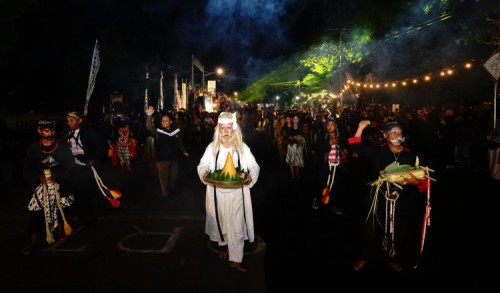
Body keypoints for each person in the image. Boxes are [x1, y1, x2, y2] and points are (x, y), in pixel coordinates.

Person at [348, 120, 430, 272]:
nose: (397, 135)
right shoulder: (378, 151)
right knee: (370, 227)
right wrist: (360, 127)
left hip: (401, 199)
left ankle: (392, 257)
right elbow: (355, 146)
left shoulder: (411, 154)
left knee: (399, 228)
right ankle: (366, 256)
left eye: (399, 132)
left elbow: (423, 178)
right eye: (393, 132)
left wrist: (415, 181)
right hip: (378, 196)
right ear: (385, 135)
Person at [197, 111, 260, 272]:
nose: (225, 131)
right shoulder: (212, 148)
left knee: (237, 226)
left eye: (228, 128)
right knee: (222, 224)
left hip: (237, 194)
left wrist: (251, 176)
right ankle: (227, 248)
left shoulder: (242, 148)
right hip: (217, 195)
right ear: (218, 129)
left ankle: (235, 259)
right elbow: (202, 165)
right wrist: (204, 172)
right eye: (222, 128)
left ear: (234, 129)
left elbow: (254, 166)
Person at [22, 118, 75, 255]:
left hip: (59, 184)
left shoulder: (62, 146)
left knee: (62, 207)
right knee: (35, 213)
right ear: (39, 131)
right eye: (46, 129)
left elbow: (70, 166)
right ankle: (32, 242)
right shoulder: (34, 148)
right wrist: (38, 178)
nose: (49, 132)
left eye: (52, 129)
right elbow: (27, 169)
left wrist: (57, 176)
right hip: (41, 186)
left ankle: (60, 232)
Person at [65, 111, 107, 221]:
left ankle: (98, 211)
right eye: (68, 121)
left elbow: (100, 146)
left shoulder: (89, 132)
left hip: (87, 163)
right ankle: (77, 212)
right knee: (75, 189)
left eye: (71, 120)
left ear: (80, 120)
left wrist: (94, 159)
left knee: (93, 188)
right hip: (74, 164)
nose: (69, 123)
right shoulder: (67, 134)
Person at [146, 106, 189, 197]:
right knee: (163, 177)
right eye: (162, 121)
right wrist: (149, 116)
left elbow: (180, 142)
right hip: (162, 159)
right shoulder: (158, 131)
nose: (164, 122)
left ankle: (171, 186)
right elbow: (149, 127)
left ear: (170, 121)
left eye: (166, 120)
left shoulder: (176, 131)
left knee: (174, 177)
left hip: (174, 159)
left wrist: (184, 151)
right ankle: (165, 193)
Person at [311, 117, 349, 215]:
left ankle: (334, 205)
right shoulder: (322, 136)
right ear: (325, 126)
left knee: (336, 186)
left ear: (336, 126)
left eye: (332, 124)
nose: (330, 126)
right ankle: (317, 199)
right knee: (321, 183)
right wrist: (328, 143)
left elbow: (347, 147)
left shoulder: (341, 136)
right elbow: (317, 150)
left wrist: (344, 151)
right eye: (328, 124)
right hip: (325, 166)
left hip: (337, 166)